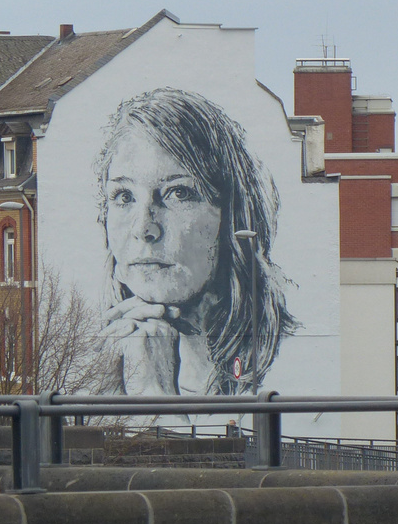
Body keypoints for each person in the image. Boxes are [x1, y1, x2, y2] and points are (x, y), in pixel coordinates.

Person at [95, 87, 296, 396]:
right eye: (124, 196)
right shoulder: (100, 359)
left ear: (231, 214)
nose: (144, 228)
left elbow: (185, 447)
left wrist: (152, 398)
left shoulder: (285, 369)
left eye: (179, 193)